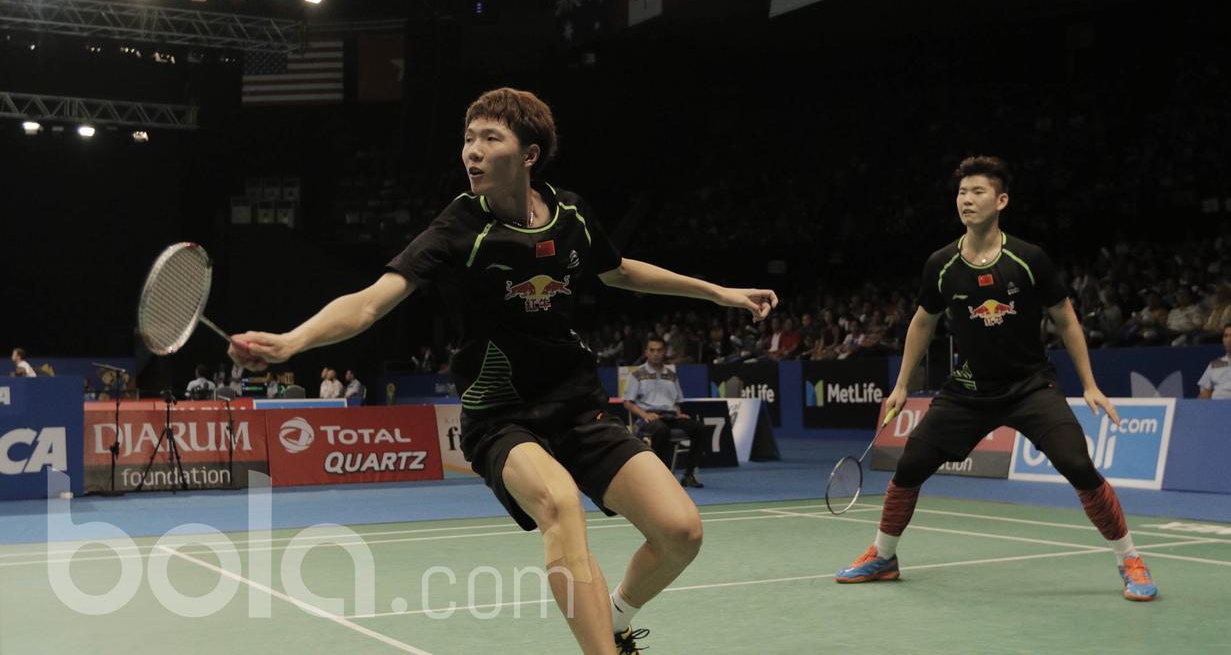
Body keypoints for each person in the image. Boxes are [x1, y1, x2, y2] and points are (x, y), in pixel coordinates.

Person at [227, 88, 777, 654]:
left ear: (530, 154)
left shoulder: (571, 215)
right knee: (559, 504)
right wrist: (292, 341)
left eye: (490, 139)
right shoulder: (459, 227)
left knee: (680, 531)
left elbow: (620, 272)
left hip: (577, 406)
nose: (473, 152)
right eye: (468, 139)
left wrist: (719, 293)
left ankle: (614, 618)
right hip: (501, 417)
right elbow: (370, 302)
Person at [834, 156, 1158, 602]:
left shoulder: (1028, 259)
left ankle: (1130, 560)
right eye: (962, 193)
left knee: (1079, 466)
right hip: (969, 390)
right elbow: (922, 323)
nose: (966, 200)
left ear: (1001, 200)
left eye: (977, 192)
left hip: (1031, 387)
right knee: (909, 467)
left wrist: (1090, 384)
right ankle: (884, 556)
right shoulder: (942, 264)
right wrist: (903, 384)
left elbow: (1066, 319)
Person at [622, 336, 706, 488]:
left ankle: (689, 475)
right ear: (646, 352)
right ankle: (664, 476)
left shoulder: (671, 375)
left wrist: (679, 413)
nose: (656, 353)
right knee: (662, 430)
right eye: (652, 350)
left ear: (664, 352)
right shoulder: (637, 374)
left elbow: (676, 402)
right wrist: (645, 415)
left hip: (671, 416)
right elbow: (627, 402)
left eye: (659, 350)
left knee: (698, 428)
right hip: (648, 419)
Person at [1197, 324, 1231, 399]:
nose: (1228, 339)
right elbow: (1205, 393)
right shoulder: (1215, 364)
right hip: (1216, 407)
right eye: (1226, 336)